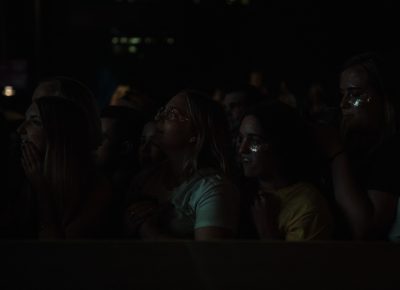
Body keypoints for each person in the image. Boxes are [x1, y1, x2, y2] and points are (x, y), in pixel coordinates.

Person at [125, 90, 239, 240]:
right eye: (162, 111)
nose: (158, 117)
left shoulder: (212, 188)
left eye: (172, 114)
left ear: (196, 132)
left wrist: (147, 230)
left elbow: (208, 258)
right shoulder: (146, 177)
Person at [319, 52, 400, 240]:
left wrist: (336, 153)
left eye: (355, 95)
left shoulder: (392, 149)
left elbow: (365, 229)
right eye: (342, 94)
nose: (344, 103)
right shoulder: (355, 144)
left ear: (383, 96)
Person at [16, 97, 115, 239]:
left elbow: (58, 253)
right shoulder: (17, 175)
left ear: (60, 134)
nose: (20, 129)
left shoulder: (96, 188)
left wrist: (41, 188)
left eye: (35, 122)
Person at [237, 101, 333, 240]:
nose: (242, 149)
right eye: (240, 139)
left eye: (254, 141)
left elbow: (295, 262)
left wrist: (267, 232)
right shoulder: (237, 189)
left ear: (279, 143)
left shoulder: (306, 205)